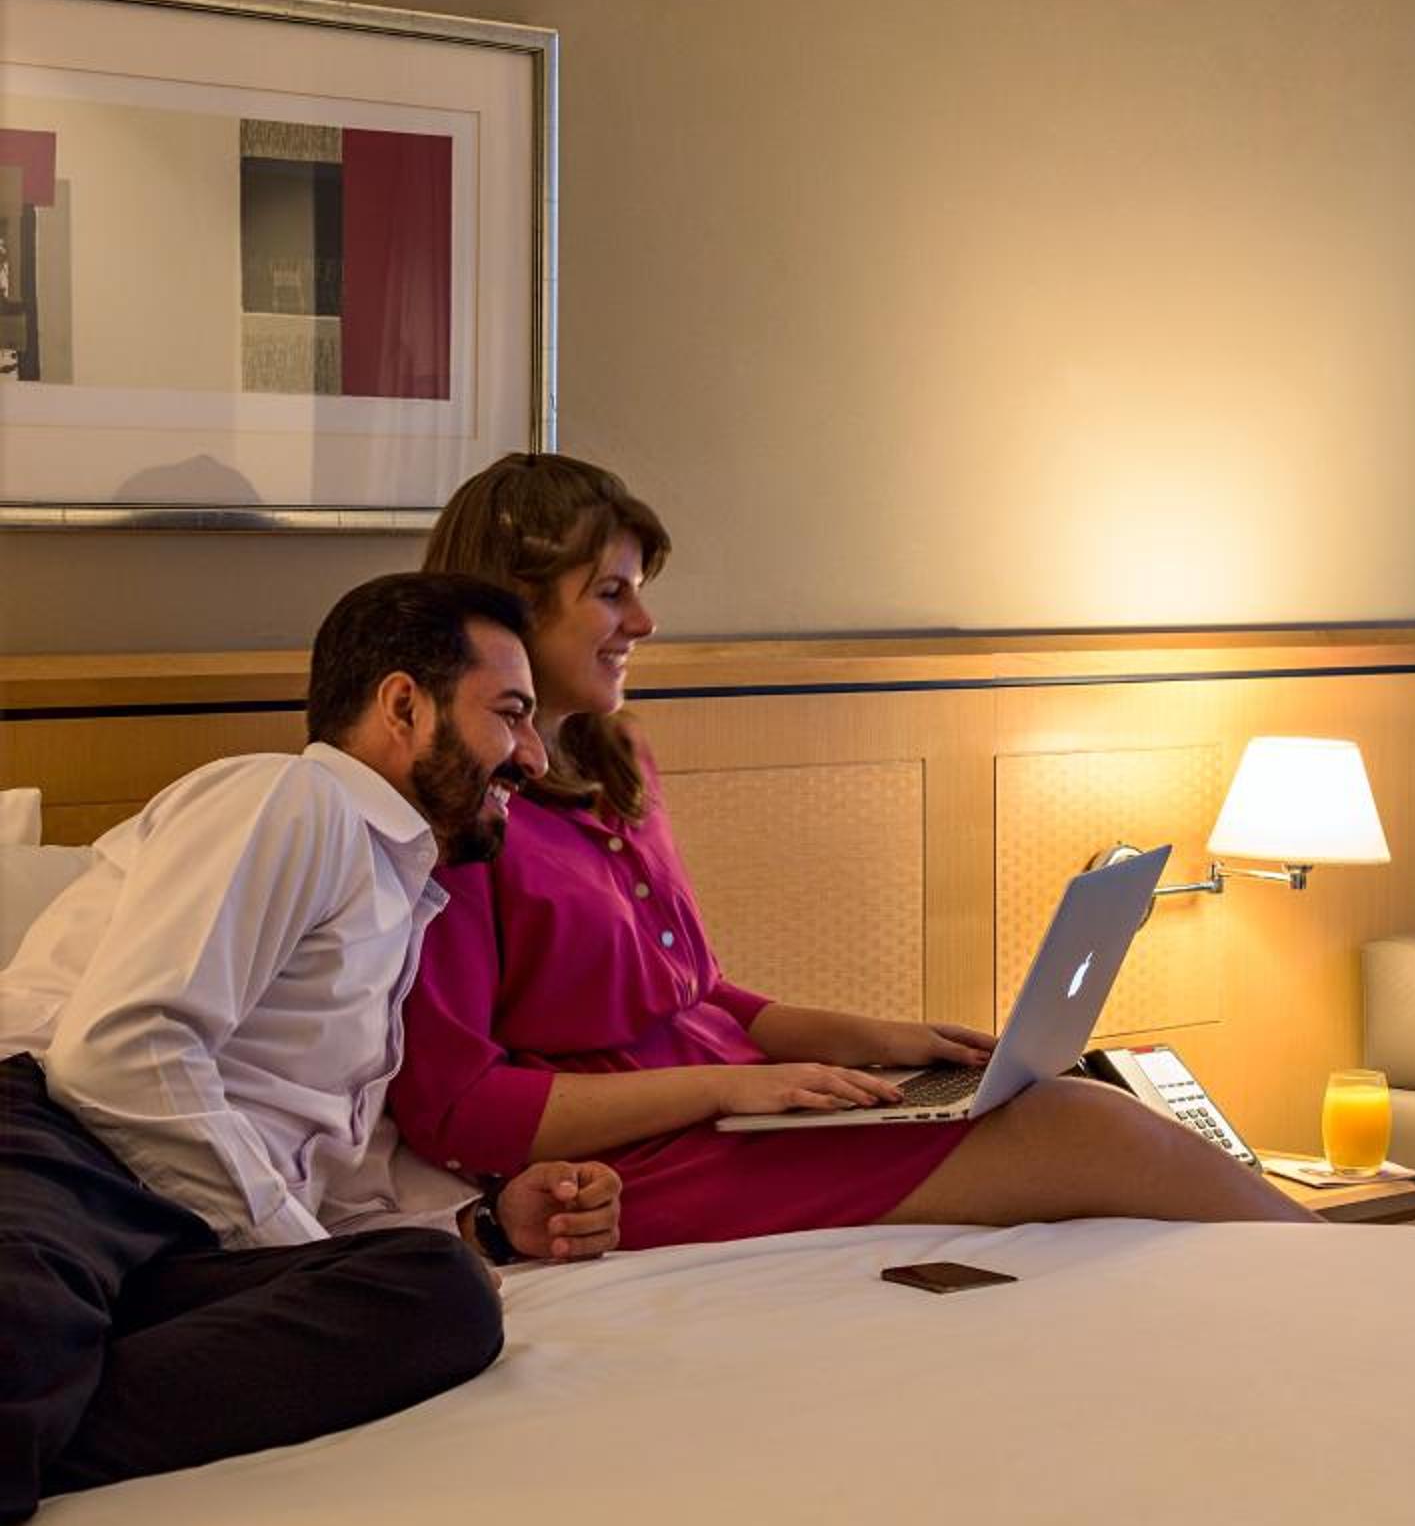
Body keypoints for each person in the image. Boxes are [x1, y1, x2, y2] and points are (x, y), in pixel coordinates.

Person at [388, 454, 1308, 1248]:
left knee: (1074, 1108)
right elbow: (458, 1109)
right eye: (610, 594)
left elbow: (695, 1000)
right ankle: (1355, 1285)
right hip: (638, 1167)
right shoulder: (460, 818)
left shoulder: (615, 760)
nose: (644, 623)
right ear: (513, 608)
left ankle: (1346, 1283)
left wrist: (882, 1040)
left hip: (736, 1113)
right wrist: (725, 1091)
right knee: (1091, 1130)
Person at [0, 573, 626, 1526]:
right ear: (404, 705)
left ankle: (49, 1428)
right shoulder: (294, 800)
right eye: (510, 714)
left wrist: (486, 1224)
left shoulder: (399, 902)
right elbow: (124, 1052)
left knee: (441, 1294)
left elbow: (305, 1175)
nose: (535, 757)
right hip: (50, 1148)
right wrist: (292, 1253)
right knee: (20, 1323)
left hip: (170, 1233)